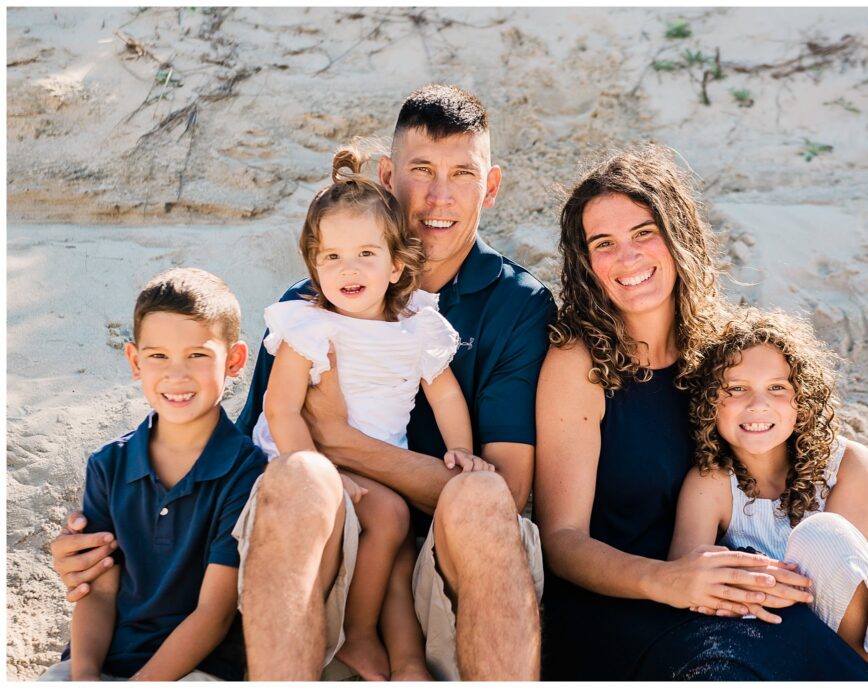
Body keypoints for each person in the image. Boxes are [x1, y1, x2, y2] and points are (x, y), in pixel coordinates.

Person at [47, 84, 553, 681]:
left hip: (441, 571)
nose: (439, 196)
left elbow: (506, 493)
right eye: (421, 169)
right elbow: (245, 454)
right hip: (318, 558)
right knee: (298, 474)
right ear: (387, 176)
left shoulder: (516, 305)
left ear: (489, 187)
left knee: (478, 497)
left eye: (462, 174)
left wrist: (341, 441)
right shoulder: (309, 309)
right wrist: (113, 537)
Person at [534, 144, 868, 679]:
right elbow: (561, 541)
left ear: (677, 236)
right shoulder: (579, 361)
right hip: (618, 606)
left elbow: (821, 449)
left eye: (643, 233)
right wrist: (668, 579)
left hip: (728, 590)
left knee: (805, 636)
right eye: (603, 244)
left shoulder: (720, 346)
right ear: (587, 263)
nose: (628, 258)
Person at [250, 145, 477, 680]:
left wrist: (460, 449)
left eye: (365, 255)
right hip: (300, 461)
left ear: (397, 263)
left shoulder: (417, 325)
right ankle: (357, 637)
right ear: (314, 264)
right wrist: (317, 475)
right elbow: (278, 408)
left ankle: (406, 663)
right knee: (392, 517)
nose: (347, 269)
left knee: (398, 554)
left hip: (375, 463)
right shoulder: (307, 326)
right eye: (331, 257)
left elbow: (444, 395)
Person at [669, 307, 868, 681]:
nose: (758, 405)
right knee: (820, 539)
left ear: (801, 401)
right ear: (709, 401)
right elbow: (686, 579)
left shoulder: (847, 462)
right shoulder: (711, 484)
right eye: (736, 389)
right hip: (822, 654)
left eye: (777, 387)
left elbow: (843, 569)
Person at [38, 268, 266, 681]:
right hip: (106, 658)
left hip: (200, 668)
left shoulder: (246, 469)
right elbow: (98, 591)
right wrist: (85, 676)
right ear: (135, 361)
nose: (176, 375)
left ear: (234, 360)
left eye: (197, 354)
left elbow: (214, 613)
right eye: (158, 356)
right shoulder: (108, 464)